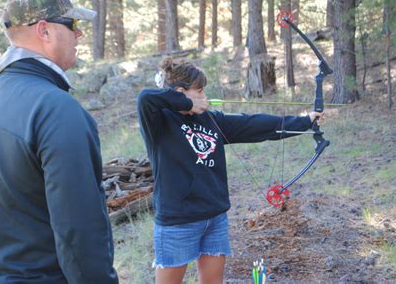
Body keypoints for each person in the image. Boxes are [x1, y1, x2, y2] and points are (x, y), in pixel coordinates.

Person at [0, 0, 118, 283]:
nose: (79, 33)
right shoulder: (56, 108)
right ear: (45, 30)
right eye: (72, 24)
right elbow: (79, 229)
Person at [137, 58, 325, 284]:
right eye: (200, 90)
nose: (204, 95)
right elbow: (145, 97)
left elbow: (254, 125)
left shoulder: (209, 120)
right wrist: (186, 103)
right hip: (178, 222)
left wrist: (304, 121)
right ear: (180, 92)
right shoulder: (159, 122)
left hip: (214, 218)